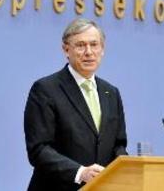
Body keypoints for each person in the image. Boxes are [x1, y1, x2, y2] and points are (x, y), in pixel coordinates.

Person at [24, 18, 128, 191]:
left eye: (94, 45)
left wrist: (123, 169)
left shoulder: (111, 93)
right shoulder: (46, 89)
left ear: (102, 50)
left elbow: (119, 145)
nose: (89, 52)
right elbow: (39, 149)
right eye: (80, 45)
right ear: (66, 49)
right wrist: (80, 173)